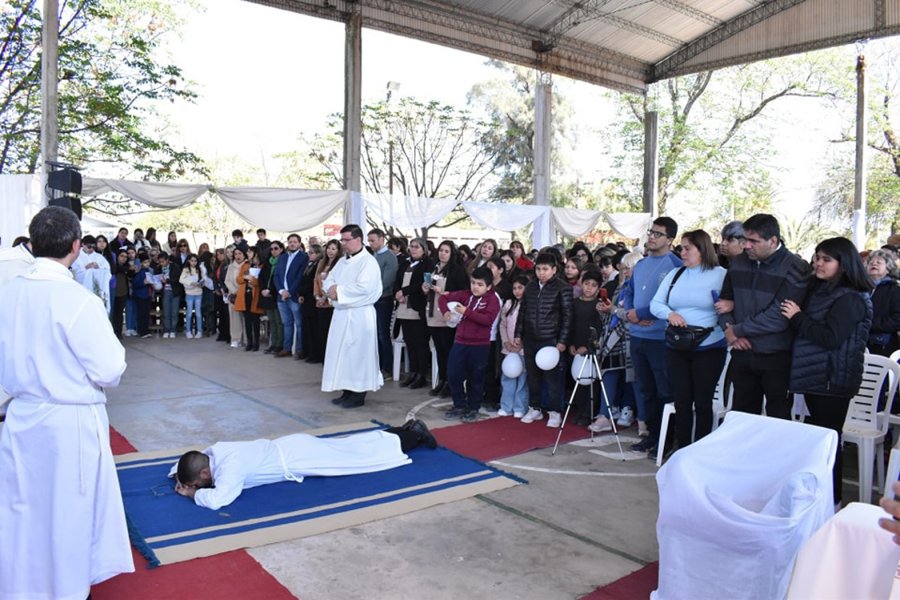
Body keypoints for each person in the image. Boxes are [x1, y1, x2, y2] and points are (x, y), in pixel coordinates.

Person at [0, 206, 133, 599]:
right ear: (76, 246)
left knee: (23, 506)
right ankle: (65, 588)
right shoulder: (77, 301)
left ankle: (20, 586)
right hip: (68, 421)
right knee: (67, 512)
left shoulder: (7, 292)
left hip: (22, 415)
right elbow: (110, 369)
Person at [781, 237, 873, 506]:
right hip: (816, 377)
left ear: (843, 265)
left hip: (833, 380)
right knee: (818, 440)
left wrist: (797, 317)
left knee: (829, 442)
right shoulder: (822, 289)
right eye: (817, 257)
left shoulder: (853, 298)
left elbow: (831, 337)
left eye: (826, 259)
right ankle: (816, 499)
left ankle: (832, 502)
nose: (818, 263)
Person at [171, 419, 437, 510]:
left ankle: (414, 436)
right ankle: (401, 430)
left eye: (199, 481)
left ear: (205, 473)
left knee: (360, 459)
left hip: (298, 458)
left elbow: (218, 500)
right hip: (291, 446)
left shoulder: (231, 468)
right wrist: (180, 476)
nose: (199, 485)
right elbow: (188, 460)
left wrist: (193, 493)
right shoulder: (216, 451)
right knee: (350, 447)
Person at [716, 213, 810, 419]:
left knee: (778, 417)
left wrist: (738, 329)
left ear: (773, 241)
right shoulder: (738, 263)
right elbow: (723, 303)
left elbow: (780, 315)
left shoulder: (796, 267)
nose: (747, 245)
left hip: (776, 356)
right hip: (742, 354)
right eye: (744, 240)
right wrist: (729, 330)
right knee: (742, 415)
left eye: (753, 241)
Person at [650, 230, 727, 450]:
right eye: (681, 248)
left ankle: (700, 451)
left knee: (702, 403)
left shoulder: (721, 275)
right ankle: (682, 449)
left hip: (709, 347)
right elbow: (657, 303)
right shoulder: (675, 275)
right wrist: (670, 314)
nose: (682, 252)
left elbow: (730, 305)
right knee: (682, 402)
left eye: (687, 248)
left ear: (702, 250)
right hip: (677, 346)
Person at [623, 217, 683, 456]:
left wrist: (643, 313)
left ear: (670, 239)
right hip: (637, 334)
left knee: (663, 390)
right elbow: (630, 291)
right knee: (645, 388)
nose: (652, 237)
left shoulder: (676, 265)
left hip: (660, 337)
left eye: (658, 234)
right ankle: (651, 434)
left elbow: (674, 301)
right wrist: (631, 313)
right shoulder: (641, 264)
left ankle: (666, 439)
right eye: (651, 232)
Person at [322, 224, 385, 408]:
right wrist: (331, 290)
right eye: (342, 240)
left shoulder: (368, 262)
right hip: (342, 314)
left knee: (358, 354)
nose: (343, 244)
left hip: (359, 315)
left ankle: (358, 394)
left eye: (346, 240)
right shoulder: (343, 261)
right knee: (342, 353)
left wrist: (338, 292)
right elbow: (329, 280)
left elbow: (365, 288)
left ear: (358, 239)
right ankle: (346, 390)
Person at [514, 252, 574, 428]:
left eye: (545, 269)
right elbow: (522, 313)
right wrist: (518, 335)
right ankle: (535, 408)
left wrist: (562, 340)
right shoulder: (531, 286)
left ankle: (555, 412)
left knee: (553, 378)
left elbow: (568, 316)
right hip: (530, 338)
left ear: (554, 269)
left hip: (551, 340)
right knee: (532, 376)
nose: (542, 272)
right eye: (539, 269)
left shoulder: (562, 288)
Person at [438, 266, 501, 422]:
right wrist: (446, 311)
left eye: (479, 284)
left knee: (476, 378)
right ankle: (459, 404)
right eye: (473, 282)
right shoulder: (466, 294)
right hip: (460, 341)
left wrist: (466, 312)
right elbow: (443, 297)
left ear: (489, 286)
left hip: (480, 345)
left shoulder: (493, 300)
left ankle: (473, 408)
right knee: (453, 375)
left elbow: (487, 321)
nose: (475, 287)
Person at [425, 240, 469, 398]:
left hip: (448, 314)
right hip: (432, 313)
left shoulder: (457, 270)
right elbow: (428, 285)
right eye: (441, 250)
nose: (443, 253)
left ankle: (451, 382)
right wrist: (426, 288)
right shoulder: (433, 267)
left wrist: (445, 291)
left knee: (448, 350)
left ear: (452, 254)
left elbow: (463, 292)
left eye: (446, 251)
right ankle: (442, 379)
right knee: (439, 350)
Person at [394, 238, 433, 390]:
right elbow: (397, 280)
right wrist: (398, 292)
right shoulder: (405, 262)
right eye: (412, 246)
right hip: (403, 306)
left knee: (420, 343)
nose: (414, 249)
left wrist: (404, 291)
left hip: (417, 307)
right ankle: (413, 372)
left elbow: (423, 284)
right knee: (410, 342)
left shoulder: (427, 264)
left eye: (417, 247)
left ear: (424, 249)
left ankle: (421, 374)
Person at [368, 228, 399, 379]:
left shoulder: (390, 257)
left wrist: (370, 291)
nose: (371, 243)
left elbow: (387, 281)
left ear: (382, 239)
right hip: (372, 299)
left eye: (373, 240)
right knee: (374, 334)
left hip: (383, 299)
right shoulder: (373, 255)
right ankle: (377, 364)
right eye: (369, 241)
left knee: (382, 334)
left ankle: (387, 367)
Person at [498, 274, 530, 418]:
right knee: (508, 377)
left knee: (522, 379)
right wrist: (506, 342)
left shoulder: (530, 304)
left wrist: (520, 344)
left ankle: (520, 406)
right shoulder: (509, 304)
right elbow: (503, 325)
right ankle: (506, 406)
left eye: (520, 288)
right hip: (509, 348)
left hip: (522, 349)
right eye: (515, 288)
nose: (517, 291)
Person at [275, 234, 308, 358]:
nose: (292, 244)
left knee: (299, 324)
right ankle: (287, 348)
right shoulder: (282, 257)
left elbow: (300, 277)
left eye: (295, 242)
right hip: (281, 296)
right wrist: (281, 291)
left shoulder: (303, 257)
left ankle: (299, 349)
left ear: (299, 243)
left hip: (293, 296)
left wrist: (289, 292)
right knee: (287, 323)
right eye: (290, 242)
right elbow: (276, 276)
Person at [865, 249, 900, 356]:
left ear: (888, 268)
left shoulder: (895, 289)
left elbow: (897, 320)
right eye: (871, 262)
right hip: (860, 343)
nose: (874, 263)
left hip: (883, 345)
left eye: (879, 262)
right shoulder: (861, 288)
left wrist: (869, 324)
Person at [235, 248, 265, 352]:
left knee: (255, 319)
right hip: (245, 295)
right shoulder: (245, 264)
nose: (247, 253)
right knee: (247, 320)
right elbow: (238, 279)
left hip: (255, 294)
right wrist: (245, 277)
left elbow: (262, 281)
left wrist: (254, 281)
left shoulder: (261, 265)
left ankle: (256, 342)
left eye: (250, 252)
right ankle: (249, 342)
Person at [261, 241, 285, 354]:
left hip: (277, 294)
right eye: (271, 249)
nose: (273, 251)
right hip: (267, 295)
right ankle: (273, 343)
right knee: (272, 321)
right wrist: (263, 289)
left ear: (281, 249)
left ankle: (279, 344)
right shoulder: (268, 262)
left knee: (278, 321)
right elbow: (262, 277)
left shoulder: (283, 261)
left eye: (276, 248)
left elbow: (280, 279)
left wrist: (271, 290)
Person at [225, 247, 247, 348]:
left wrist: (241, 290)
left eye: (240, 253)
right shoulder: (231, 266)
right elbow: (227, 280)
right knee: (234, 319)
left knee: (246, 318)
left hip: (245, 294)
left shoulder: (247, 265)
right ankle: (235, 339)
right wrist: (234, 290)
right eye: (236, 254)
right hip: (234, 295)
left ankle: (246, 339)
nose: (238, 256)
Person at [180, 253, 205, 338]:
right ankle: (188, 331)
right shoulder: (186, 269)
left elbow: (204, 279)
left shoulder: (200, 269)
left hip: (198, 293)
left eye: (195, 261)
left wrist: (201, 284)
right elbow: (181, 279)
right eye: (192, 261)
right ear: (189, 261)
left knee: (198, 313)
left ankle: (199, 331)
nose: (194, 262)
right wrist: (191, 282)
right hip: (189, 293)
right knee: (189, 313)